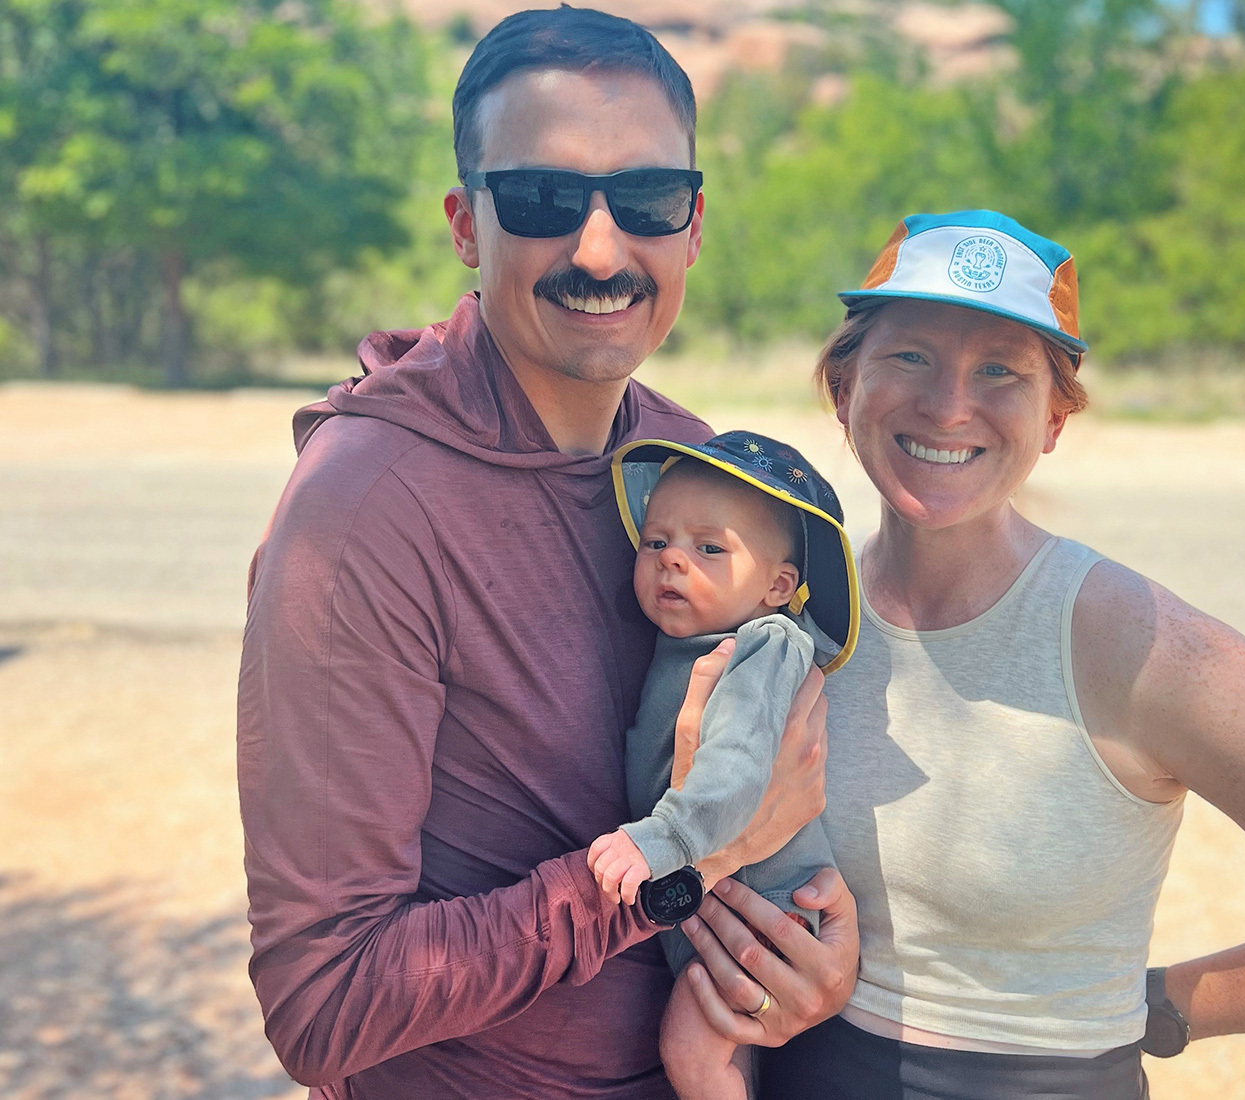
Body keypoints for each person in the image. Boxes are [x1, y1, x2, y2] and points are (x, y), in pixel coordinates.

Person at [668, 210, 1245, 1099]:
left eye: (1000, 370)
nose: (949, 404)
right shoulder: (790, 612)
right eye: (910, 355)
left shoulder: (1139, 643)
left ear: (1056, 418)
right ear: (845, 390)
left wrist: (1164, 1007)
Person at [235, 9, 857, 1098]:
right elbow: (322, 1004)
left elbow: (777, 795)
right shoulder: (368, 503)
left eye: (649, 198)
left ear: (695, 222)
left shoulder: (697, 471)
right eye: (541, 199)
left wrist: (804, 956)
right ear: (467, 225)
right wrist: (669, 870)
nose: (602, 250)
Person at [588, 433, 860, 1099]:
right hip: (721, 902)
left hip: (768, 909)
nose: (673, 559)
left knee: (691, 1050)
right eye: (656, 542)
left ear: (778, 585)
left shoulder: (763, 646)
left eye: (710, 548)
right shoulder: (689, 641)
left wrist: (665, 840)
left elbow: (738, 767)